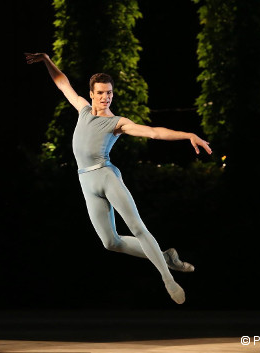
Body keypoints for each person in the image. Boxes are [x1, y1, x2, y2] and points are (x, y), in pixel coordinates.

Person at [25, 52, 212, 304]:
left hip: (106, 175)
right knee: (110, 242)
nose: (105, 97)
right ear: (91, 94)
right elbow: (61, 82)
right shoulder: (82, 109)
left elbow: (154, 133)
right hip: (86, 182)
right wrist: (47, 59)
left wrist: (187, 134)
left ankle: (168, 277)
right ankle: (166, 256)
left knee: (137, 227)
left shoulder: (117, 122)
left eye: (109, 92)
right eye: (101, 93)